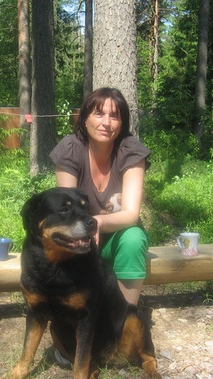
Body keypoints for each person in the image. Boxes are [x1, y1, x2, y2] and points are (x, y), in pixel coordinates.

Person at [50, 87, 151, 307]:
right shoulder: (70, 149)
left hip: (119, 238)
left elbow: (131, 214)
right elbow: (69, 213)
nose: (106, 122)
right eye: (99, 114)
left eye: (114, 116)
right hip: (80, 238)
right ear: (85, 119)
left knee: (134, 238)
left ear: (122, 123)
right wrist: (87, 229)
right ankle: (79, 313)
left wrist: (98, 221)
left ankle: (126, 315)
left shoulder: (131, 151)